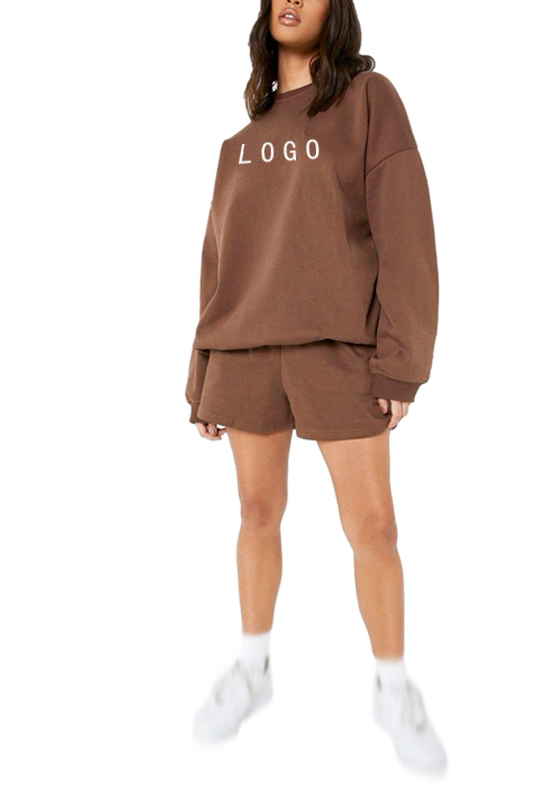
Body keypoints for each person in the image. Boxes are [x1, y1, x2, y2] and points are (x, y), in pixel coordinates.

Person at [185, 0, 445, 774]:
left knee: (374, 529)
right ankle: (253, 669)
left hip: (338, 349)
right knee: (256, 513)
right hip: (246, 351)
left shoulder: (369, 101)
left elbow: (406, 233)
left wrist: (402, 360)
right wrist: (201, 372)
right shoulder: (241, 141)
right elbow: (218, 261)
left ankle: (393, 689)